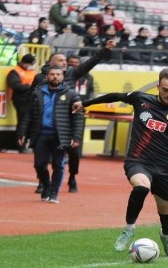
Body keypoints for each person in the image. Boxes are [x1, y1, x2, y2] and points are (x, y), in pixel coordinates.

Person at [72, 69, 168, 256]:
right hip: (138, 160)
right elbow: (115, 96)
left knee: (166, 212)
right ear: (158, 87)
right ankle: (129, 229)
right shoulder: (141, 99)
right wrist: (84, 104)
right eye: (165, 89)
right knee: (141, 187)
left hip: (164, 167)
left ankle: (165, 235)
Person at [29, 39, 116, 193]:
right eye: (61, 60)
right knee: (42, 157)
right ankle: (43, 182)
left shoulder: (71, 73)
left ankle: (72, 177)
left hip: (68, 120)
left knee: (74, 153)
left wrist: (105, 49)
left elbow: (90, 63)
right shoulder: (39, 78)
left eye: (65, 61)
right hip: (47, 123)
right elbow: (32, 99)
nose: (64, 63)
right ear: (51, 63)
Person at [17, 65, 83, 204]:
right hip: (41, 134)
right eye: (52, 74)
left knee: (58, 164)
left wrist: (76, 137)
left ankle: (54, 191)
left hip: (60, 135)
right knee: (39, 165)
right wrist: (22, 132)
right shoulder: (37, 93)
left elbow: (78, 117)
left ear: (62, 76)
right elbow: (28, 115)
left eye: (58, 74)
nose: (55, 77)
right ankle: (46, 186)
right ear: (47, 76)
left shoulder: (71, 94)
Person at [64, 55, 94, 193]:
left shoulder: (88, 77)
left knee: (74, 151)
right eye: (71, 63)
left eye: (76, 63)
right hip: (61, 113)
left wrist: (89, 102)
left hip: (78, 113)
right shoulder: (63, 76)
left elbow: (91, 91)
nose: (74, 65)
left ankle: (72, 177)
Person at [7, 54, 37, 153]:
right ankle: (20, 145)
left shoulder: (32, 71)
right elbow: (15, 85)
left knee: (31, 123)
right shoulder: (15, 71)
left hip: (31, 100)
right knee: (23, 123)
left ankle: (28, 143)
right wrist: (30, 87)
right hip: (20, 100)